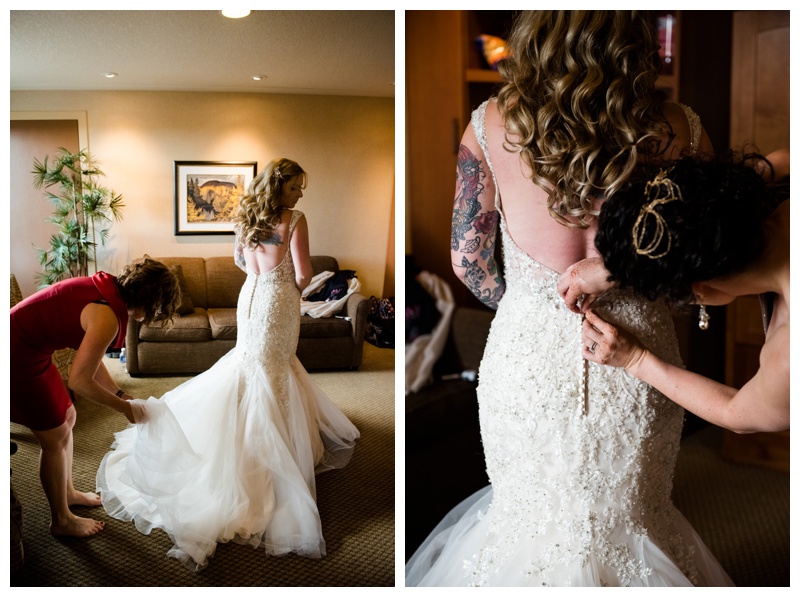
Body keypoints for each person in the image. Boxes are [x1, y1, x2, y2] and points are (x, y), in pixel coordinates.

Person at [406, 10, 733, 586]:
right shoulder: (680, 128)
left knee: (528, 522)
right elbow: (707, 259)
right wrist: (645, 287)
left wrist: (532, 303)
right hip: (639, 354)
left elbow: (467, 261)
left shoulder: (488, 123)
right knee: (636, 518)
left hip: (526, 357)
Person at [96, 158, 360, 570]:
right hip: (277, 299)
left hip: (251, 294)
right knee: (274, 368)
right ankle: (268, 456)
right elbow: (305, 274)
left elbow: (240, 261)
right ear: (280, 188)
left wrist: (262, 278)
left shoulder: (245, 218)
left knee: (252, 365)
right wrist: (288, 287)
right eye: (296, 187)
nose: (301, 194)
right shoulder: (295, 219)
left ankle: (245, 439)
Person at [559, 151, 789, 433]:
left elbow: (738, 413)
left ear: (698, 290)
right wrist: (623, 265)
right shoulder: (783, 174)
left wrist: (636, 359)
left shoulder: (788, 356)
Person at [10, 257, 181, 538]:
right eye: (159, 308)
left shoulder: (107, 292)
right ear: (151, 299)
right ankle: (61, 520)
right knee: (53, 438)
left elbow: (90, 359)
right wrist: (123, 407)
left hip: (33, 350)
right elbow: (79, 382)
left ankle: (68, 492)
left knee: (68, 416)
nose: (157, 314)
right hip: (15, 355)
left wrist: (120, 393)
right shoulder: (107, 317)